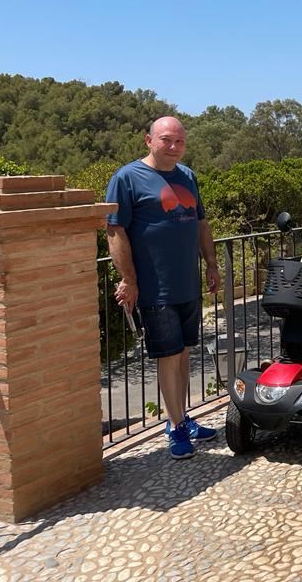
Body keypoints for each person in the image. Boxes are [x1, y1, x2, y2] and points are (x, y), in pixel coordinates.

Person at [105, 116, 221, 460]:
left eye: (179, 141)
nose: (173, 147)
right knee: (168, 357)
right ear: (148, 140)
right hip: (155, 288)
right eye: (166, 140)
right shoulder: (127, 178)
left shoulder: (187, 176)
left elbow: (201, 223)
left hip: (188, 284)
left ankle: (180, 418)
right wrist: (129, 280)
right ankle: (176, 426)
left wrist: (211, 264)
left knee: (183, 354)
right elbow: (115, 231)